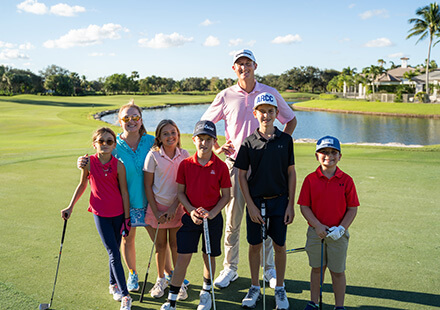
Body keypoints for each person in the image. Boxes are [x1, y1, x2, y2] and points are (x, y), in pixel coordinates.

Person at [201, 49, 297, 289]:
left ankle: (269, 269)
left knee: (264, 219)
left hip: (266, 168)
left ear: (256, 65)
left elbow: (291, 120)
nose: (244, 67)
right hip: (235, 165)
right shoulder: (225, 95)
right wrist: (216, 146)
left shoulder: (269, 93)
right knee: (233, 219)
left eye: (248, 63)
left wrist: (278, 146)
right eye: (239, 64)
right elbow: (205, 124)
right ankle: (230, 268)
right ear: (234, 68)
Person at [78, 100, 174, 292]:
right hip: (125, 204)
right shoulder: (114, 143)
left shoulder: (151, 141)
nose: (131, 121)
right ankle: (132, 274)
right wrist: (82, 161)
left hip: (151, 202)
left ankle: (169, 272)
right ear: (119, 121)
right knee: (127, 240)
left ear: (141, 120)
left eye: (135, 117)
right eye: (126, 118)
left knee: (160, 242)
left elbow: (172, 153)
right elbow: (98, 157)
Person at [161, 120, 231, 310]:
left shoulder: (221, 166)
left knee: (209, 257)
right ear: (193, 140)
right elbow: (180, 193)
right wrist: (191, 210)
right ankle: (172, 300)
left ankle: (206, 293)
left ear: (214, 141)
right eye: (201, 139)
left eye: (209, 139)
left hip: (213, 219)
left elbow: (226, 196)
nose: (204, 143)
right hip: (190, 219)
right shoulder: (185, 165)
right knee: (183, 258)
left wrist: (213, 213)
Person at [234, 92, 296, 309]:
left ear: (277, 114)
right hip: (256, 203)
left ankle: (279, 288)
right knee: (255, 246)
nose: (266, 115)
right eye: (262, 111)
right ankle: (254, 287)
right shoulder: (249, 143)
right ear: (255, 113)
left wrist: (290, 204)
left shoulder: (286, 140)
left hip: (279, 202)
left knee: (279, 246)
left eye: (271, 111)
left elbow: (291, 172)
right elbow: (241, 175)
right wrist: (250, 204)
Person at [61, 127, 132, 310]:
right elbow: (82, 184)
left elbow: (124, 192)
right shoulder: (88, 163)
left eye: (109, 141)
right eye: (101, 141)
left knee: (114, 250)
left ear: (114, 145)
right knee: (114, 253)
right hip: (100, 214)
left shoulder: (119, 165)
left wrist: (127, 218)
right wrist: (70, 206)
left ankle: (112, 284)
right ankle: (125, 295)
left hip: (118, 214)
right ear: (95, 145)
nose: (105, 144)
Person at [298, 136, 359, 310]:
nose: (329, 156)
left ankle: (339, 306)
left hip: (338, 234)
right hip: (315, 233)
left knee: (337, 271)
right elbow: (304, 206)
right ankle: (314, 302)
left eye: (333, 152)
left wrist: (341, 228)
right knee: (317, 269)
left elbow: (352, 209)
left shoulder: (346, 180)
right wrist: (317, 225)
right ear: (317, 155)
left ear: (340, 156)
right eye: (324, 152)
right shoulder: (310, 179)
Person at [143, 119, 190, 299]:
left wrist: (174, 207)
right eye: (166, 134)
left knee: (176, 245)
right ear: (159, 138)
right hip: (158, 208)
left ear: (178, 134)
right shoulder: (153, 155)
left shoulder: (184, 154)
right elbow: (148, 186)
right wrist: (155, 212)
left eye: (173, 132)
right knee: (160, 246)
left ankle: (177, 283)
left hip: (177, 207)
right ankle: (161, 279)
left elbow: (184, 186)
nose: (170, 136)